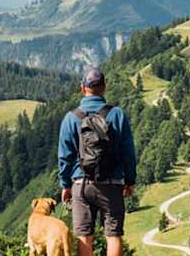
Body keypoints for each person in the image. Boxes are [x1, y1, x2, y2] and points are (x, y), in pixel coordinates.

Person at [57, 66, 137, 256]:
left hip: (81, 184)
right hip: (112, 184)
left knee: (84, 237)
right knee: (113, 235)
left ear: (83, 88)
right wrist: (130, 180)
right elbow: (128, 152)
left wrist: (65, 185)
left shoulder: (71, 118)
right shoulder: (117, 114)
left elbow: (64, 156)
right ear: (104, 88)